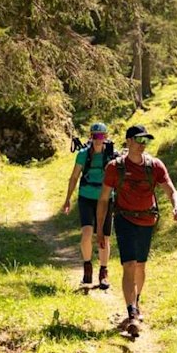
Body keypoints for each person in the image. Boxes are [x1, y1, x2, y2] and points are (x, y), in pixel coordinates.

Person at [96, 125, 177, 328]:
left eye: (146, 141)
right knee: (129, 264)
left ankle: (137, 301)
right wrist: (100, 229)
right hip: (124, 219)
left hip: (147, 220)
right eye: (138, 140)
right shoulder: (114, 168)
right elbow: (103, 199)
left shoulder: (155, 166)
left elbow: (171, 190)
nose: (142, 145)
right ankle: (132, 313)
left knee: (140, 266)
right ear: (128, 141)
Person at [62, 122, 116, 288]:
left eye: (101, 136)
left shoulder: (112, 155)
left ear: (106, 137)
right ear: (90, 137)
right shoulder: (83, 154)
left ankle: (103, 272)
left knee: (105, 237)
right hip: (86, 197)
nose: (98, 140)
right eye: (94, 136)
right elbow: (74, 177)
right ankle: (87, 267)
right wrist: (68, 199)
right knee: (86, 234)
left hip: (106, 199)